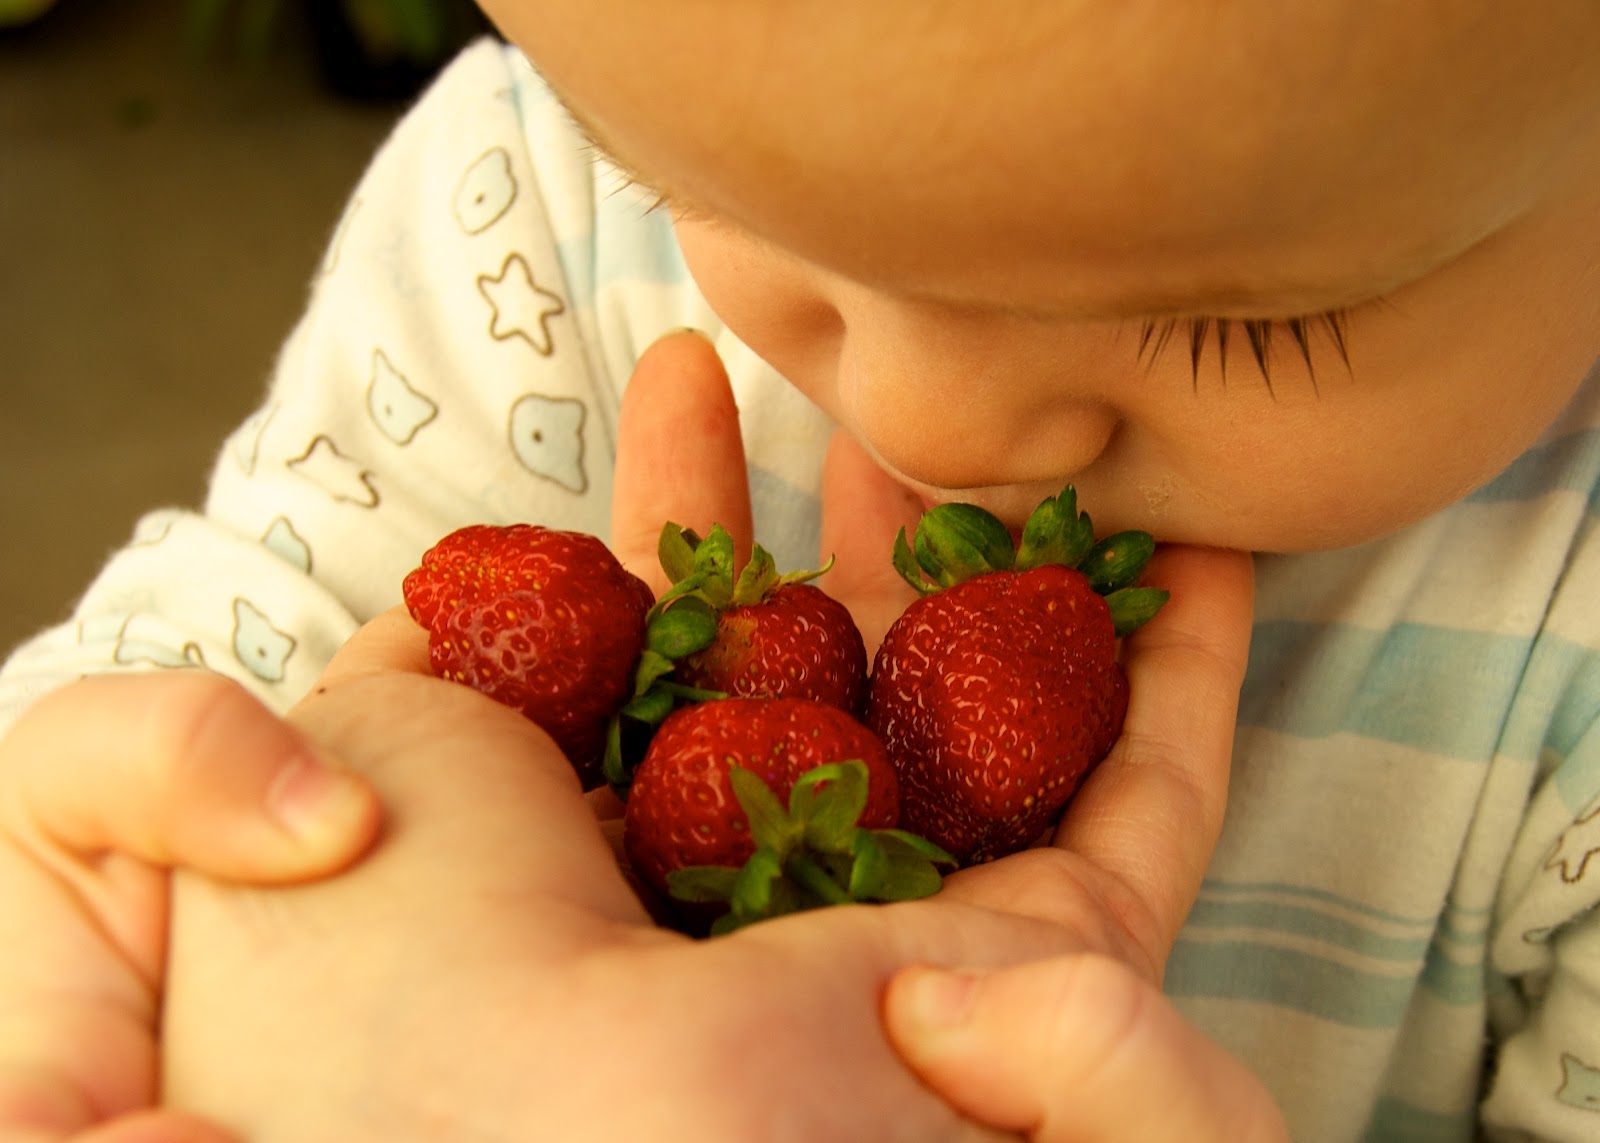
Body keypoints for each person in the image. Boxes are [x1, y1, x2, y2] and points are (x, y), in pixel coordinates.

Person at [1, 0, 1598, 1136]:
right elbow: (222, 655)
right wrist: (138, 922)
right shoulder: (528, 217)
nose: (924, 414)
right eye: (685, 184)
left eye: (1248, 325)